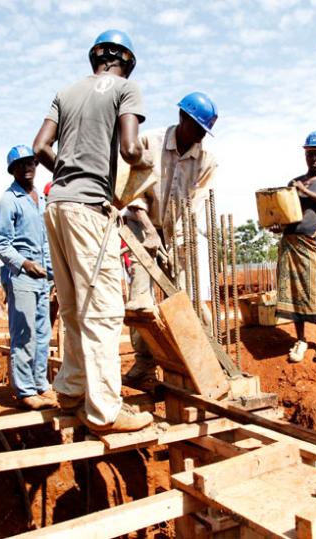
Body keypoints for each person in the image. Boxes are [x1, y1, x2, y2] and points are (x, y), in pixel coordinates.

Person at [33, 29, 153, 434]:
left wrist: (69, 171)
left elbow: (39, 148)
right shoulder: (126, 89)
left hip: (56, 205)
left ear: (95, 58)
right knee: (102, 309)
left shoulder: (65, 93)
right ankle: (105, 411)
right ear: (126, 61)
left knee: (71, 307)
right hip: (88, 210)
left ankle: (70, 389)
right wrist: (146, 163)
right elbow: (130, 150)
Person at [123, 91, 219, 388]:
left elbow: (195, 205)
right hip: (140, 221)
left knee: (186, 293)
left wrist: (175, 242)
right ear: (182, 119)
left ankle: (204, 360)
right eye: (197, 128)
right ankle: (144, 364)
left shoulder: (206, 160)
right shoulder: (150, 142)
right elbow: (131, 191)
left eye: (205, 131)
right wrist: (149, 232)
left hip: (178, 228)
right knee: (141, 298)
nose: (201, 136)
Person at [0, 145, 56, 410]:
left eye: (31, 163)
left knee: (42, 334)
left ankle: (40, 384)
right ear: (13, 170)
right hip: (21, 276)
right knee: (24, 334)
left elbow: (46, 242)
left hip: (42, 277)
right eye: (21, 165)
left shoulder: (39, 199)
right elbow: (1, 244)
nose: (28, 168)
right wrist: (25, 263)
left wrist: (53, 276)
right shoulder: (8, 201)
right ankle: (25, 390)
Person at [272, 131, 316, 363]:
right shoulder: (294, 182)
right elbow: (288, 212)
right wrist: (278, 226)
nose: (313, 158)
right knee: (294, 293)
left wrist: (307, 193)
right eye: (310, 154)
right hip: (291, 243)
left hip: (314, 243)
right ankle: (300, 339)